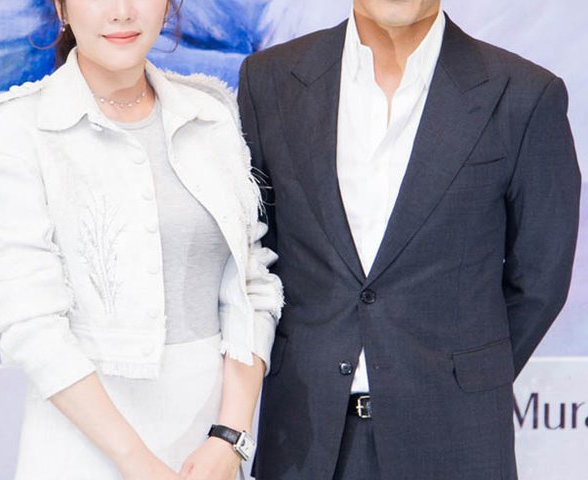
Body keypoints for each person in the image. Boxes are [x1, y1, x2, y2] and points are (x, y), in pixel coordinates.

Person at [237, 0, 581, 478]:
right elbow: (254, 257)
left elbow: (540, 280)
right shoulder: (269, 79)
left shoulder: (524, 93)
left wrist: (462, 375)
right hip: (303, 439)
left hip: (455, 441)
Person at [0, 1, 283, 479]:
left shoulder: (210, 114)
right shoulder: (15, 131)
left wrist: (230, 436)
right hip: (83, 448)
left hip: (209, 446)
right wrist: (137, 462)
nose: (122, 12)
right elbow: (30, 321)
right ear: (61, 8)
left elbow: (251, 285)